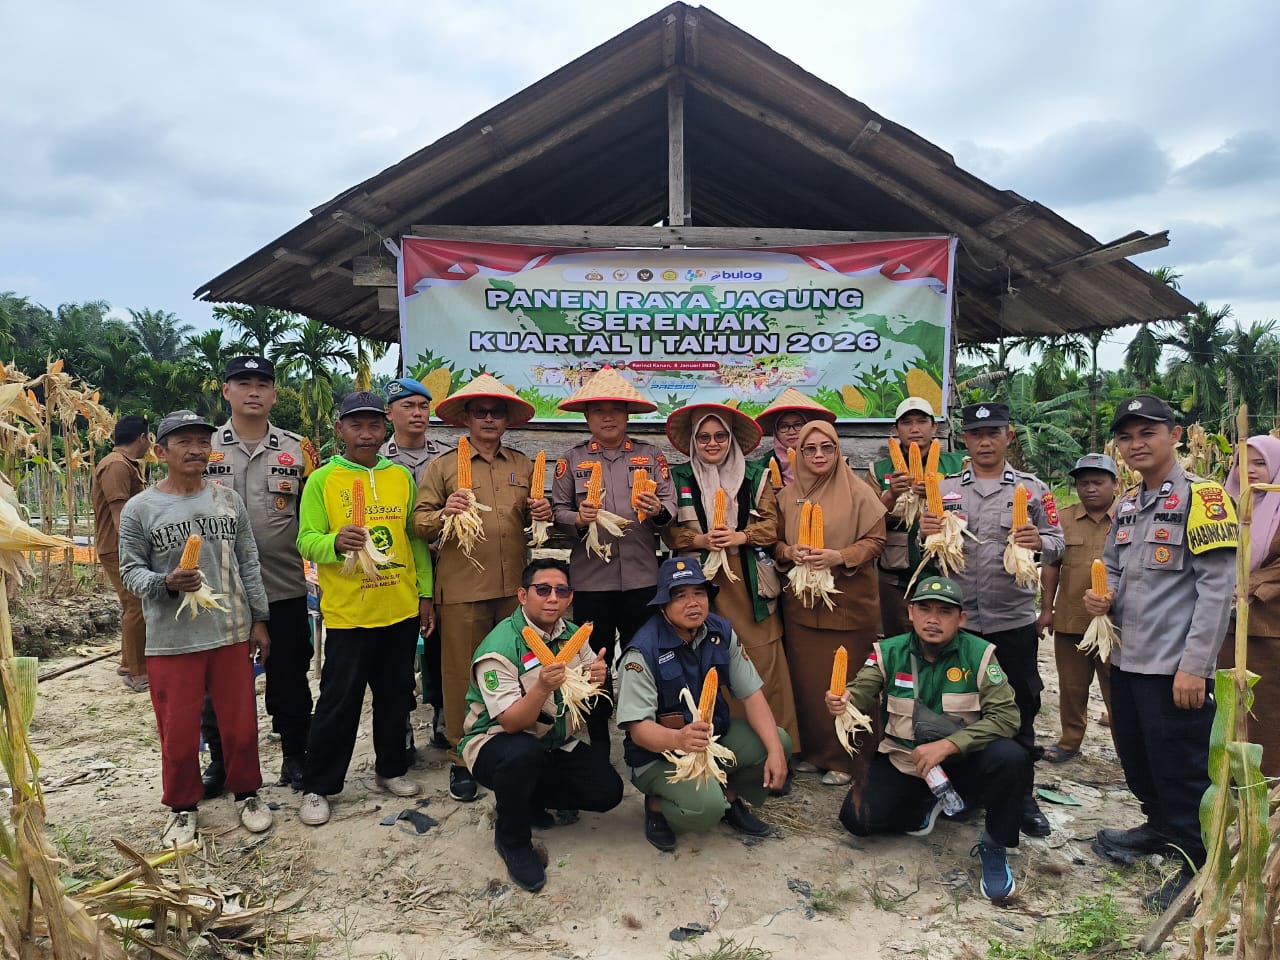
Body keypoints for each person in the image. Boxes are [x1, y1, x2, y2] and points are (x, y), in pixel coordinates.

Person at [1084, 394, 1236, 911]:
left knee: (1182, 769)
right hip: (1128, 659)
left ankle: (1198, 865)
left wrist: (1195, 667)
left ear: (1175, 435)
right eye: (1126, 436)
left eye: (1147, 432)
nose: (1136, 444)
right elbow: (1115, 567)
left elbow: (1217, 590)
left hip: (1174, 667)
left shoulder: (1204, 497)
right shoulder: (1129, 503)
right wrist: (1101, 597)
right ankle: (1160, 828)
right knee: (1138, 758)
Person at [117, 410, 273, 845]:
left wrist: (259, 620)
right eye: (184, 442)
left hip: (229, 631)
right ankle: (183, 807)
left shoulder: (228, 501)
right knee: (178, 732)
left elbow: (248, 563)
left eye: (203, 442)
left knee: (240, 725)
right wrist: (165, 582)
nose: (196, 450)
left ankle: (247, 794)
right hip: (173, 640)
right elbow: (130, 572)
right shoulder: (140, 509)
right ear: (160, 451)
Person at [828, 576, 1028, 901]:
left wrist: (949, 745)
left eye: (944, 612)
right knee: (856, 819)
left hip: (962, 763)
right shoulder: (888, 652)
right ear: (910, 613)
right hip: (906, 762)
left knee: (1012, 757)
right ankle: (928, 804)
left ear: (961, 618)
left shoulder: (980, 655)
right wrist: (844, 700)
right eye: (925, 609)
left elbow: (1007, 718)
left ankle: (994, 845)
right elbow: (861, 690)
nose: (933, 619)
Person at [918, 401, 1063, 837]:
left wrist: (1041, 541)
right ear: (964, 439)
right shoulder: (945, 490)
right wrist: (925, 532)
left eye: (993, 433)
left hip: (1011, 621)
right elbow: (927, 550)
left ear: (1008, 436)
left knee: (1019, 707)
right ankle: (963, 789)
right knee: (957, 709)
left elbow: (1059, 542)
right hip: (960, 624)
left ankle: (1021, 796)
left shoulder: (1034, 490)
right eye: (976, 434)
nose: (985, 441)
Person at [296, 392, 435, 826]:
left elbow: (413, 539)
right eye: (356, 425)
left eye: (374, 425)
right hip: (349, 613)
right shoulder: (323, 480)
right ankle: (319, 786)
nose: (366, 433)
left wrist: (425, 594)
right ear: (340, 429)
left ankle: (390, 769)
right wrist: (335, 542)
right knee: (339, 702)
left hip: (399, 608)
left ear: (385, 428)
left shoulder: (400, 477)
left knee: (396, 696)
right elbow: (306, 539)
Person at [413, 373, 550, 804]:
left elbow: (529, 522)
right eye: (480, 412)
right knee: (461, 675)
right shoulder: (442, 467)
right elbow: (419, 522)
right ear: (466, 419)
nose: (489, 419)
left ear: (507, 420)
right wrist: (444, 513)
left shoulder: (522, 465)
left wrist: (541, 513)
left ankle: (515, 747)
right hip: (463, 588)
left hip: (514, 591)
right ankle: (462, 757)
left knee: (519, 670)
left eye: (497, 412)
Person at [458, 559, 623, 892]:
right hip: (495, 742)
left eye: (561, 591)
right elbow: (512, 722)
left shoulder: (574, 634)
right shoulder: (499, 648)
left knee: (608, 791)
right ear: (523, 595)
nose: (552, 599)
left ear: (570, 597)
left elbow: (588, 690)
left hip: (551, 741)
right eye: (543, 590)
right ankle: (512, 841)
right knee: (522, 754)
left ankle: (528, 799)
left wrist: (598, 678)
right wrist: (543, 687)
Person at [200, 356, 319, 796]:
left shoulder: (298, 449)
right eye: (243, 382)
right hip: (218, 588)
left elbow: (313, 512)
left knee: (290, 676)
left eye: (262, 384)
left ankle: (295, 754)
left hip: (282, 585)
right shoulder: (204, 447)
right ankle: (221, 761)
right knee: (218, 682)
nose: (253, 391)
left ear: (274, 394)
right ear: (226, 391)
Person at [615, 557, 791, 851]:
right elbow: (639, 730)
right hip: (659, 755)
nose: (693, 603)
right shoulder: (642, 652)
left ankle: (730, 796)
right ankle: (656, 805)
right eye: (680, 596)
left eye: (699, 593)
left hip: (710, 739)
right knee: (706, 809)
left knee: (778, 741)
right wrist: (678, 739)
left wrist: (775, 753)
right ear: (662, 605)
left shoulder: (721, 631)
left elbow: (751, 695)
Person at [551, 366, 676, 758]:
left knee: (642, 657)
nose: (608, 417)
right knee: (595, 659)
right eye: (598, 411)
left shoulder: (651, 456)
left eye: (616, 410)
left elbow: (670, 504)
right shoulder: (571, 460)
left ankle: (642, 735)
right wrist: (577, 518)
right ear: (587, 417)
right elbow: (557, 509)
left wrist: (658, 511)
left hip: (642, 577)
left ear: (627, 415)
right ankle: (599, 739)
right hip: (592, 580)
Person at [663, 403, 800, 758]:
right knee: (708, 659)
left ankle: (777, 748)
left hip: (748, 580)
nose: (712, 443)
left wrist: (741, 536)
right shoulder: (678, 477)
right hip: (700, 580)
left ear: (731, 439)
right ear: (694, 442)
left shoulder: (756, 475)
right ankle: (719, 748)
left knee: (760, 658)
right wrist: (699, 539)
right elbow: (667, 529)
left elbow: (771, 525)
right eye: (704, 437)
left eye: (720, 436)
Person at [775, 420, 886, 785]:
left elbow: (876, 541)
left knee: (848, 684)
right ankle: (816, 752)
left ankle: (849, 759)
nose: (819, 454)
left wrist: (839, 556)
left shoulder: (859, 492)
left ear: (838, 451)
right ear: (799, 454)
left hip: (848, 606)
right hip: (803, 608)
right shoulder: (787, 496)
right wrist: (789, 551)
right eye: (810, 448)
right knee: (809, 684)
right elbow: (772, 542)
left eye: (827, 447)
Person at [382, 376, 453, 757]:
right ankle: (402, 726)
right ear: (390, 413)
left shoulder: (447, 457)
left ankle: (443, 716)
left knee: (442, 644)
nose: (417, 413)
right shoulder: (377, 459)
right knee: (398, 652)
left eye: (423, 406)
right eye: (407, 406)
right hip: (393, 569)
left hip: (442, 564)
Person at [1036, 453, 1118, 763]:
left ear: (1115, 484)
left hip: (1116, 624)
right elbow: (1051, 566)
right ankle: (1070, 741)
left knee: (1118, 687)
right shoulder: (1064, 519)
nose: (1090, 489)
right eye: (1084, 483)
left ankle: (1127, 747)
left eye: (1098, 482)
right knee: (1072, 687)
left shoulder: (1129, 517)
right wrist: (1046, 609)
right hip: (1072, 618)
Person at [868, 397, 966, 638]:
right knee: (900, 640)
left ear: (934, 427)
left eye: (922, 421)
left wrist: (936, 495)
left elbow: (971, 509)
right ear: (896, 429)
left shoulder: (958, 465)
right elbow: (867, 522)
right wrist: (892, 495)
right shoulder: (879, 470)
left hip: (946, 571)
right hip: (898, 574)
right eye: (907, 423)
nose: (914, 429)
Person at [1220, 435, 1280, 779]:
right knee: (1227, 706)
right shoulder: (1222, 508)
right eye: (1243, 462)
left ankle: (1265, 785)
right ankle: (1227, 781)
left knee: (1265, 710)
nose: (1251, 470)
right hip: (1225, 626)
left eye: (1260, 463)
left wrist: (1250, 585)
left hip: (1268, 629)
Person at [91, 414, 150, 692]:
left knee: (134, 604)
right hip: (118, 548)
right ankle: (138, 673)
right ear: (142, 438)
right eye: (149, 439)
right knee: (136, 603)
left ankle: (129, 663)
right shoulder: (116, 465)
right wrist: (133, 552)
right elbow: (121, 515)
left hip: (121, 547)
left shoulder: (124, 464)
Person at [753, 387, 837, 488]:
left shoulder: (826, 459)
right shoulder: (763, 468)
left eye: (798, 425)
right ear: (776, 431)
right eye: (784, 426)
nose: (791, 432)